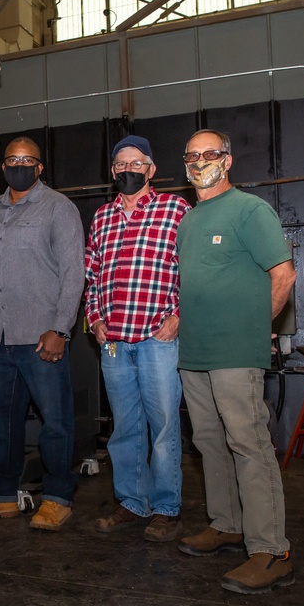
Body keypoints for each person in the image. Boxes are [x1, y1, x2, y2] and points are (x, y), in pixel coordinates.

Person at [176, 129, 297, 594]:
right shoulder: (189, 219)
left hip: (234, 352)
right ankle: (227, 524)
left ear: (227, 161)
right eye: (191, 155)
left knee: (249, 445)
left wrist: (253, 327)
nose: (199, 160)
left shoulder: (250, 210)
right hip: (196, 353)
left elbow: (283, 276)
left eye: (209, 153)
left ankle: (272, 550)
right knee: (208, 441)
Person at [0, 136, 85, 531]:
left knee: (55, 421)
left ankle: (58, 497)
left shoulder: (58, 208)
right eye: (13, 159)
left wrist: (60, 329)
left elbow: (73, 275)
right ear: (2, 166)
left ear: (40, 167)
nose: (20, 165)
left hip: (40, 335)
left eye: (28, 160)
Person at [85, 135, 190, 543]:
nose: (127, 170)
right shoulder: (102, 218)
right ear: (112, 172)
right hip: (112, 341)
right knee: (125, 427)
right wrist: (94, 319)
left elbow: (191, 270)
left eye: (135, 163)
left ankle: (166, 508)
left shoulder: (176, 210)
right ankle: (132, 502)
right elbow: (91, 276)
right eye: (119, 165)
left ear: (151, 169)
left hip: (156, 337)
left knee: (163, 426)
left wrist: (178, 316)